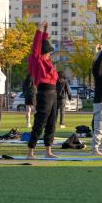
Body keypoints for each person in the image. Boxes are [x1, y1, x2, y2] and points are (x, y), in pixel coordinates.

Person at [27, 21, 59, 159]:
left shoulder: (48, 62)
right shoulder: (37, 60)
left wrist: (46, 30)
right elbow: (37, 46)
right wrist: (39, 30)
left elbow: (44, 43)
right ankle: (31, 152)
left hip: (53, 94)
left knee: (52, 122)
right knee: (40, 123)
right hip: (44, 93)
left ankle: (48, 151)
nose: (49, 54)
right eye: (48, 52)